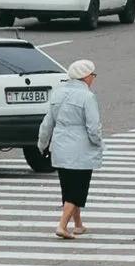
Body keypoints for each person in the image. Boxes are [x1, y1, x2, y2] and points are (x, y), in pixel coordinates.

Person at [38, 59, 102, 240]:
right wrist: (97, 143)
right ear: (85, 77)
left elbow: (47, 123)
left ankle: (78, 225)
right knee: (78, 189)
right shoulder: (87, 97)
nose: (93, 79)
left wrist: (42, 144)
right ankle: (62, 225)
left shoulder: (57, 94)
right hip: (80, 150)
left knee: (67, 187)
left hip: (59, 147)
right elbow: (93, 127)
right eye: (92, 75)